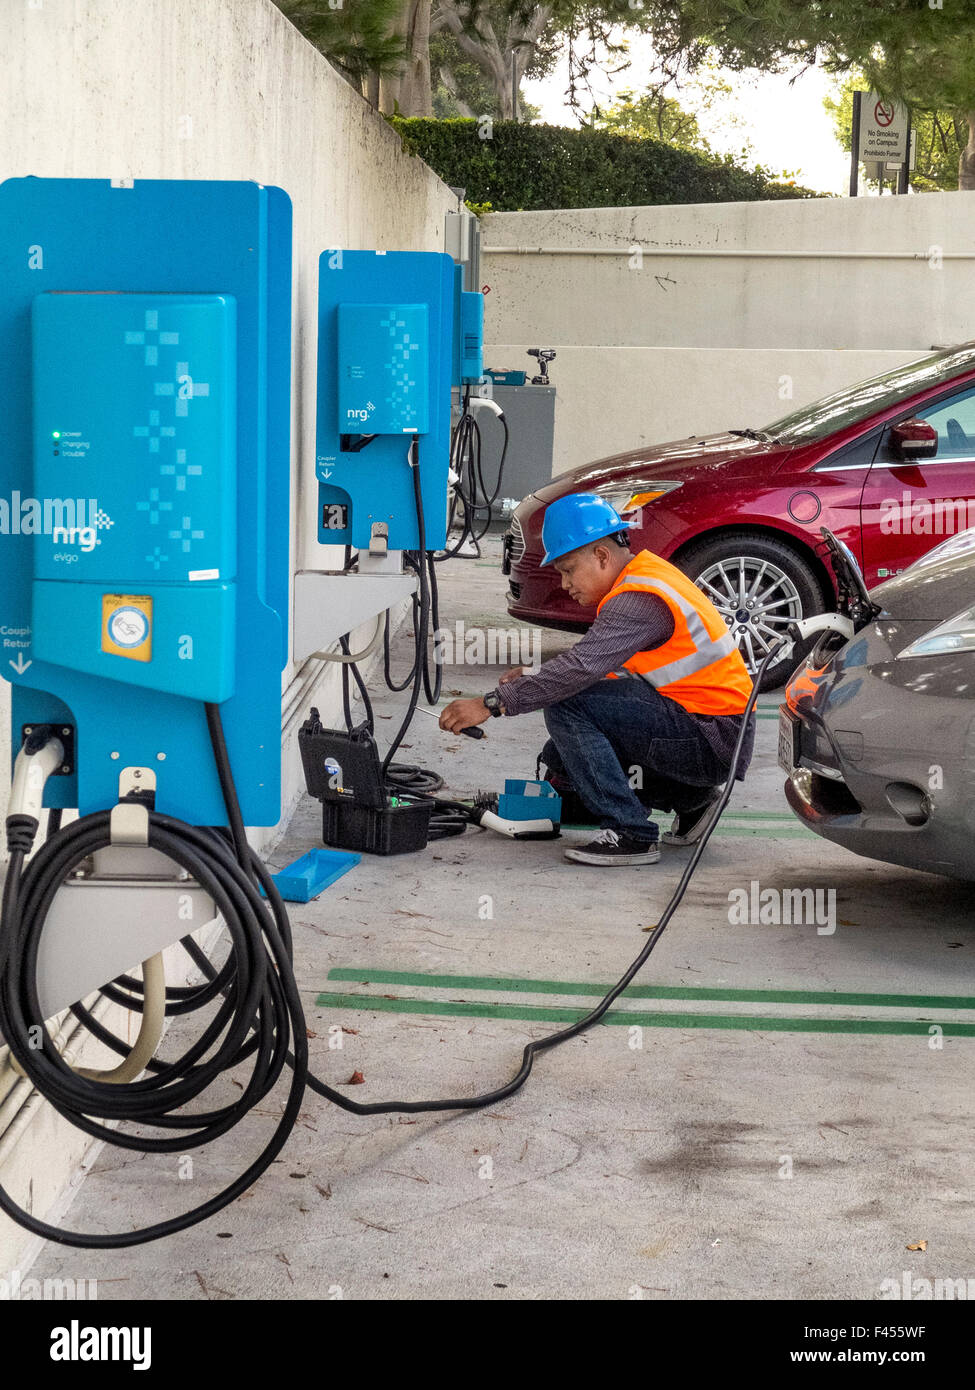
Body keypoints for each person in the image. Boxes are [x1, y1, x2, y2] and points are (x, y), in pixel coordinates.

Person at [439, 492, 756, 866]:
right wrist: (535, 675)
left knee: (567, 704)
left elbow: (581, 669)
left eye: (569, 569)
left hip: (710, 739)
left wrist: (490, 704)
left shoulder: (638, 598)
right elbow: (610, 667)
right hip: (714, 731)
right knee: (564, 753)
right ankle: (694, 801)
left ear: (601, 556)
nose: (565, 583)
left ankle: (630, 833)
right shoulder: (645, 577)